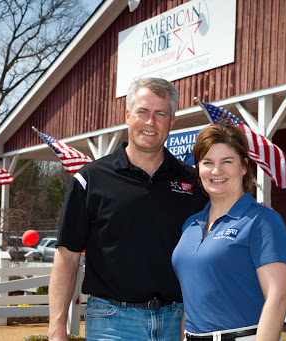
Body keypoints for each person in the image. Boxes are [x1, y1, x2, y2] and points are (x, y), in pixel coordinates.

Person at [48, 78, 207, 341]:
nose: (150, 122)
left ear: (172, 121)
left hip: (177, 322)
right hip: (112, 323)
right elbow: (67, 257)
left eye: (160, 114)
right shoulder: (91, 178)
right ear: (127, 116)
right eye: (143, 112)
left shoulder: (192, 182)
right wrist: (56, 329)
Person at [172, 124, 286, 341]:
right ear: (198, 168)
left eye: (227, 161)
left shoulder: (262, 220)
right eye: (208, 162)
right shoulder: (190, 225)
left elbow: (278, 298)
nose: (217, 171)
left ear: (244, 166)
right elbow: (189, 302)